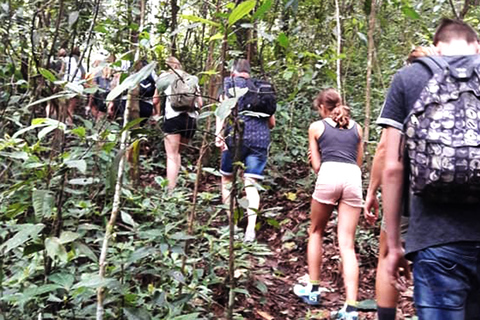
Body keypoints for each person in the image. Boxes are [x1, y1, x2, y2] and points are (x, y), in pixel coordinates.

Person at [380, 18, 480, 319]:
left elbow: (393, 167)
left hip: (435, 241)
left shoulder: (409, 79)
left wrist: (395, 243)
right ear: (477, 46)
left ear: (436, 49)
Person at [364, 45, 437, 320]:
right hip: (450, 186)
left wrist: (372, 190)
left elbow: (385, 148)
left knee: (387, 255)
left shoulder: (406, 82)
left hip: (408, 186)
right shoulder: (457, 83)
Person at [293, 88, 363, 320]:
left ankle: (312, 289)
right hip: (353, 177)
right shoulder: (357, 128)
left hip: (329, 173)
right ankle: (351, 308)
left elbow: (316, 166)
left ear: (322, 108)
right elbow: (358, 162)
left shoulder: (316, 127)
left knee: (316, 231)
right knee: (348, 245)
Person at [215, 59, 276, 243]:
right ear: (249, 72)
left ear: (233, 71)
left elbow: (222, 113)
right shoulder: (262, 88)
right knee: (250, 184)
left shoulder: (228, 85)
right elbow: (271, 123)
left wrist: (219, 134)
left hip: (234, 137)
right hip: (260, 140)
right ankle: (250, 229)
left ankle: (232, 225)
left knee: (226, 178)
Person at [153, 56, 202, 191]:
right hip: (190, 120)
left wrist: (156, 115)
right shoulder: (191, 78)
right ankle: (176, 186)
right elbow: (201, 103)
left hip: (173, 118)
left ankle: (171, 191)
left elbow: (155, 100)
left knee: (172, 155)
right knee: (178, 153)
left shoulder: (164, 77)